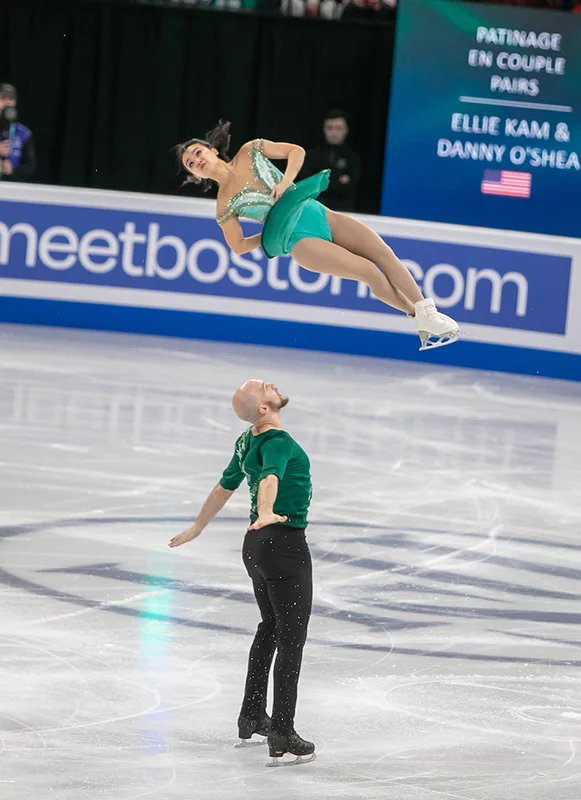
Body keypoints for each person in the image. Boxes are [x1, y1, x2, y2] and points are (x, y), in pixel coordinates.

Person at [175, 121, 459, 350]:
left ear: (211, 150)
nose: (196, 161)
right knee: (368, 271)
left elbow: (296, 151)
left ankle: (427, 312)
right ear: (196, 176)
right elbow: (237, 246)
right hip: (299, 239)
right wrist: (272, 232)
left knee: (383, 253)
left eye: (197, 153)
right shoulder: (224, 204)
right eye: (190, 164)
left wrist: (286, 182)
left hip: (318, 212)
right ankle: (414, 315)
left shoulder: (250, 150)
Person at [169, 379, 316, 766]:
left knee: (270, 627)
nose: (271, 384)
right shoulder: (277, 442)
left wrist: (198, 526)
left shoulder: (246, 439)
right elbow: (269, 478)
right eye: (264, 388)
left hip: (255, 548)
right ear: (264, 409)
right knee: (291, 640)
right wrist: (267, 512)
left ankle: (252, 715)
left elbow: (225, 485)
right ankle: (282, 733)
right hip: (282, 544)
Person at [302, 110, 361, 212]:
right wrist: (338, 180)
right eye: (330, 128)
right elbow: (308, 185)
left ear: (346, 130)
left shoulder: (353, 158)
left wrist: (324, 182)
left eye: (338, 128)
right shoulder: (311, 156)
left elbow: (349, 189)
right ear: (324, 129)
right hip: (315, 208)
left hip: (343, 211)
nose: (334, 133)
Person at [0, 84, 36, 182]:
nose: (7, 103)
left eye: (10, 99)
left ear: (15, 103)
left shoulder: (24, 133)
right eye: (3, 98)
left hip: (13, 188)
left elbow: (30, 166)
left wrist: (13, 171)